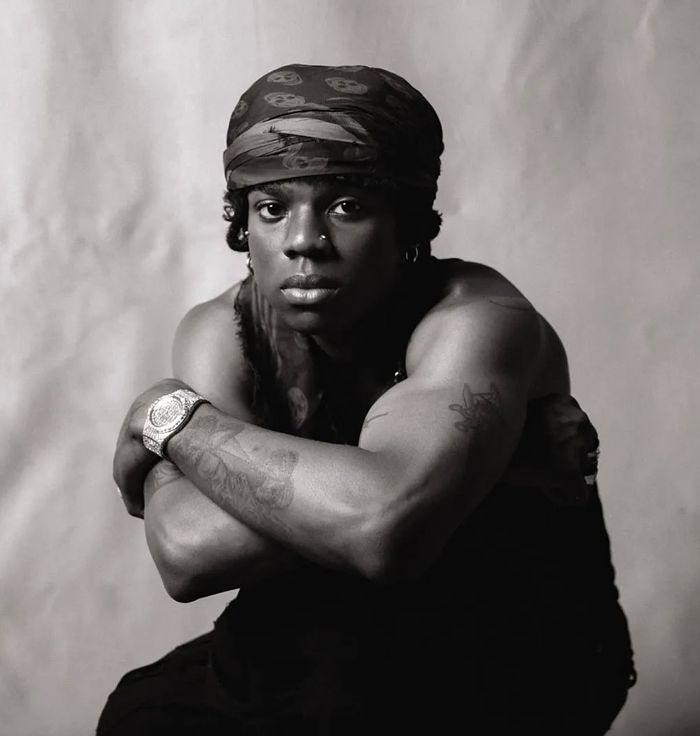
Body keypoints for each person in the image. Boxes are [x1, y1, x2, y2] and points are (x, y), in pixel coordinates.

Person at [101, 64, 635, 734]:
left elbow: (383, 531)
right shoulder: (223, 331)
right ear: (244, 225)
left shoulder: (478, 320)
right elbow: (185, 548)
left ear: (405, 222)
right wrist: (468, 477)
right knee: (142, 718)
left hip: (511, 640)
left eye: (347, 206)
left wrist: (169, 421)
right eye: (272, 209)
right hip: (318, 638)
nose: (304, 241)